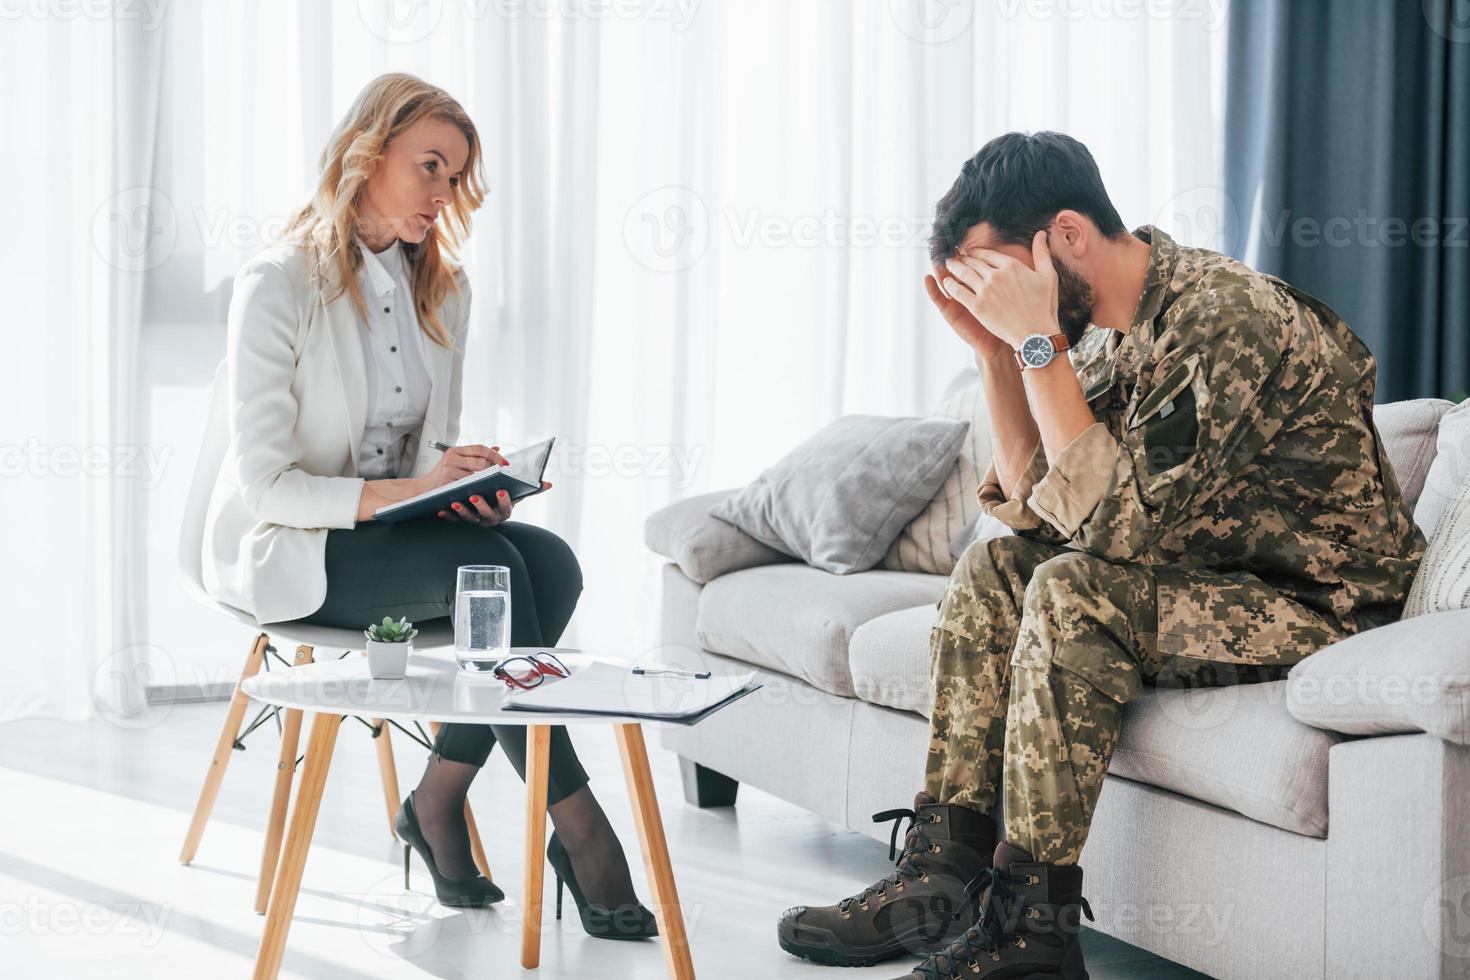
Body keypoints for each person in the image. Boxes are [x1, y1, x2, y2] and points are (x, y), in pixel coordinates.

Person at [776, 131, 1425, 978]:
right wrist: (997, 355)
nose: (1001, 301)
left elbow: (1117, 537)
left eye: (1000, 276)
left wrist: (1037, 345)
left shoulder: (1224, 317)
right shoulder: (1109, 335)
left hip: (1324, 606)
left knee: (1075, 594)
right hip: (1207, 580)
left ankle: (1034, 938)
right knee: (994, 572)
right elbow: (1043, 517)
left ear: (1068, 237)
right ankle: (938, 880)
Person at [202, 72, 654, 939]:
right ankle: (579, 826)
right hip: (304, 545)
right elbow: (266, 486)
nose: (446, 195)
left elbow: (426, 452)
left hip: (398, 538)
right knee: (496, 575)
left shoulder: (443, 289)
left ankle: (436, 801)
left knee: (548, 564)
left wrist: (464, 489)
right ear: (366, 157)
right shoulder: (278, 284)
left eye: (457, 176)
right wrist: (418, 492)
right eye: (432, 168)